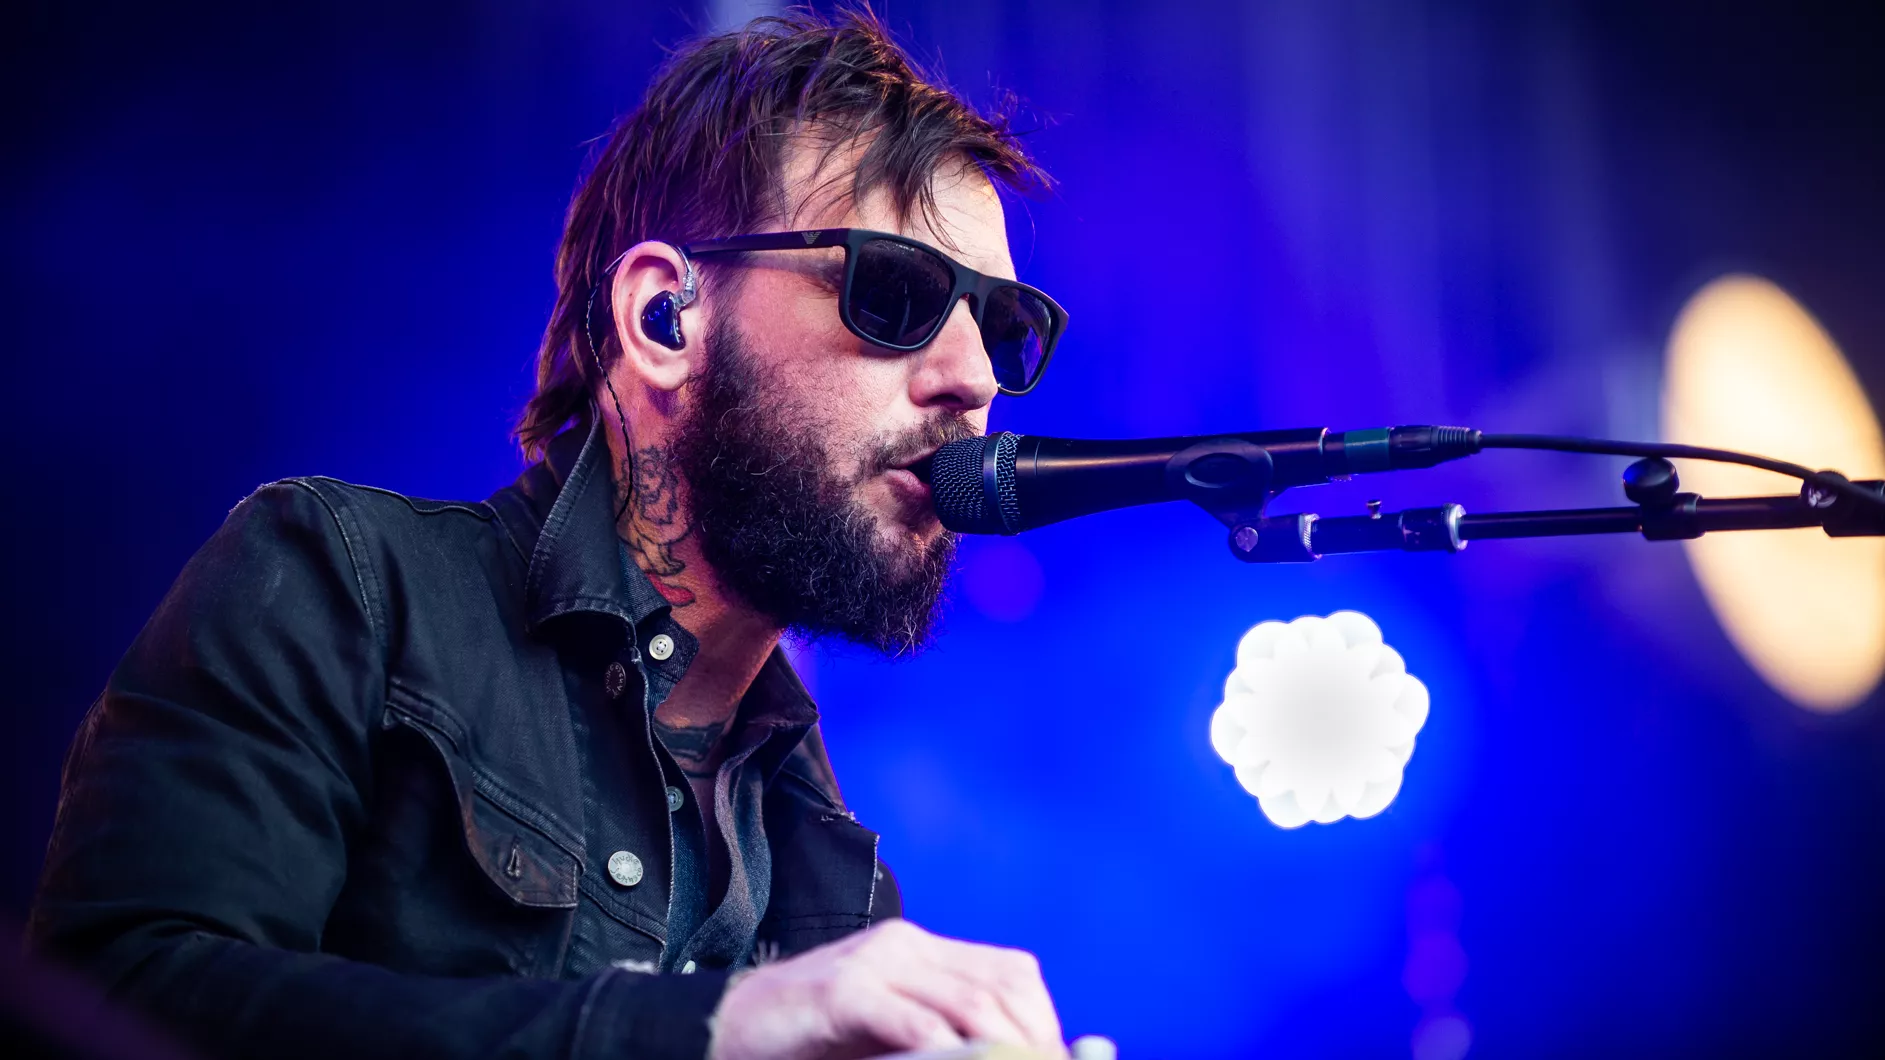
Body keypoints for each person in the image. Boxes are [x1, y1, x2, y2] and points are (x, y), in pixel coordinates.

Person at [27, 10, 1073, 1060]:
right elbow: (116, 998)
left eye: (1002, 328)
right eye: (895, 293)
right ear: (664, 317)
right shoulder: (339, 582)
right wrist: (709, 1029)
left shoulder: (830, 869)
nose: (973, 379)